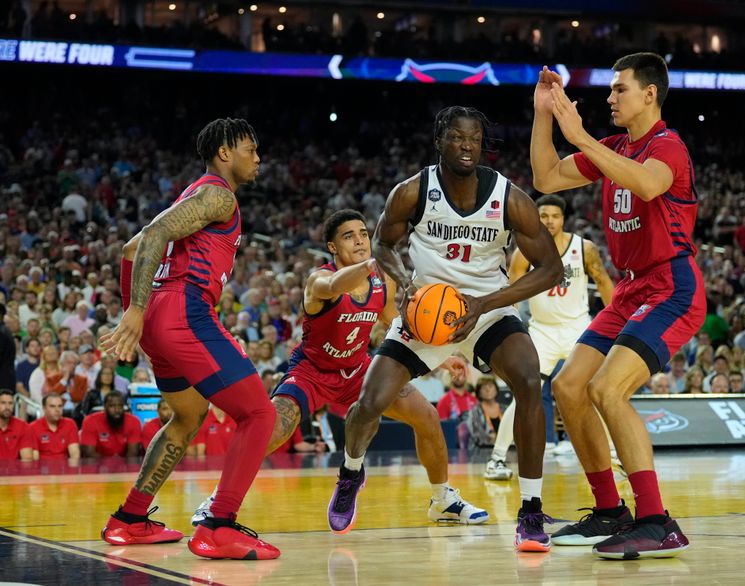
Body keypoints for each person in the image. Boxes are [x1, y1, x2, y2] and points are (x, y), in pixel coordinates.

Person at [328, 107, 563, 553]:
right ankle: (351, 472)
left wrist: (484, 304)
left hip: (487, 309)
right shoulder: (412, 192)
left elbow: (550, 269)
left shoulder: (510, 199)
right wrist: (403, 282)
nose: (467, 145)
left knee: (530, 381)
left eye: (474, 138)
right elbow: (382, 242)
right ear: (440, 141)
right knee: (369, 402)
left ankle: (530, 510)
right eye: (457, 137)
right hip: (426, 312)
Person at [191, 209, 487, 527]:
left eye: (363, 233)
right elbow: (333, 284)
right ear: (332, 247)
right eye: (349, 236)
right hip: (311, 372)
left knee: (427, 417)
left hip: (358, 370)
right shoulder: (319, 279)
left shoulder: (381, 281)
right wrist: (372, 262)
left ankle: (442, 500)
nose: (360, 240)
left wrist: (440, 359)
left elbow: (391, 319)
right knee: (271, 429)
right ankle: (217, 500)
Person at [531, 53, 704, 558]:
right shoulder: (613, 147)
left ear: (649, 94)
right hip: (630, 288)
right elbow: (545, 177)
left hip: (670, 285)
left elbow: (647, 184)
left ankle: (656, 520)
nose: (610, 98)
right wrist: (545, 112)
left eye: (619, 89)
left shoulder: (668, 147)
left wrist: (579, 133)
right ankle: (611, 510)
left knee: (608, 388)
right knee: (567, 386)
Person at [99, 118, 280, 560]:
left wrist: (138, 315)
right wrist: (134, 312)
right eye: (250, 149)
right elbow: (156, 234)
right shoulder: (217, 193)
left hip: (162, 318)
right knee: (259, 414)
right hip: (184, 310)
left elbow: (130, 249)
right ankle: (219, 526)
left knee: (187, 417)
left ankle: (130, 519)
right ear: (224, 152)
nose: (258, 157)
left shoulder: (194, 195)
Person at [485, 193, 613, 480]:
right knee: (524, 394)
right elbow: (512, 293)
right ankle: (497, 459)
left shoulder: (585, 247)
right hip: (541, 331)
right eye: (544, 216)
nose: (549, 221)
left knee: (598, 391)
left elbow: (604, 283)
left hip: (579, 329)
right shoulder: (524, 252)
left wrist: (617, 324)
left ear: (563, 218)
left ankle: (615, 456)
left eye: (555, 216)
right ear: (536, 218)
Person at [79, 390, 142, 457]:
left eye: (120, 406)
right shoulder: (90, 421)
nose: (117, 410)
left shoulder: (133, 422)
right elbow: (90, 454)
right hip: (98, 465)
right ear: (104, 407)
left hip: (124, 465)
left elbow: (133, 455)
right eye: (112, 406)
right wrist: (107, 466)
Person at [29, 393, 80, 460]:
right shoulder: (33, 427)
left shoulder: (70, 424)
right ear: (44, 408)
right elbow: (35, 459)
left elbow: (75, 455)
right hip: (43, 468)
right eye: (52, 406)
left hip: (64, 468)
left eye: (60, 406)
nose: (57, 410)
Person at [465, 376, 505, 448]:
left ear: (496, 389)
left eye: (490, 386)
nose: (487, 389)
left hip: (507, 449)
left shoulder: (505, 410)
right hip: (483, 451)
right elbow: (479, 437)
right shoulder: (474, 412)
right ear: (478, 392)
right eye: (483, 387)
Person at [0, 388, 34, 460]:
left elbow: (27, 459)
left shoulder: (23, 426)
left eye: (10, 403)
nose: (7, 407)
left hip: (15, 470)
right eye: (3, 403)